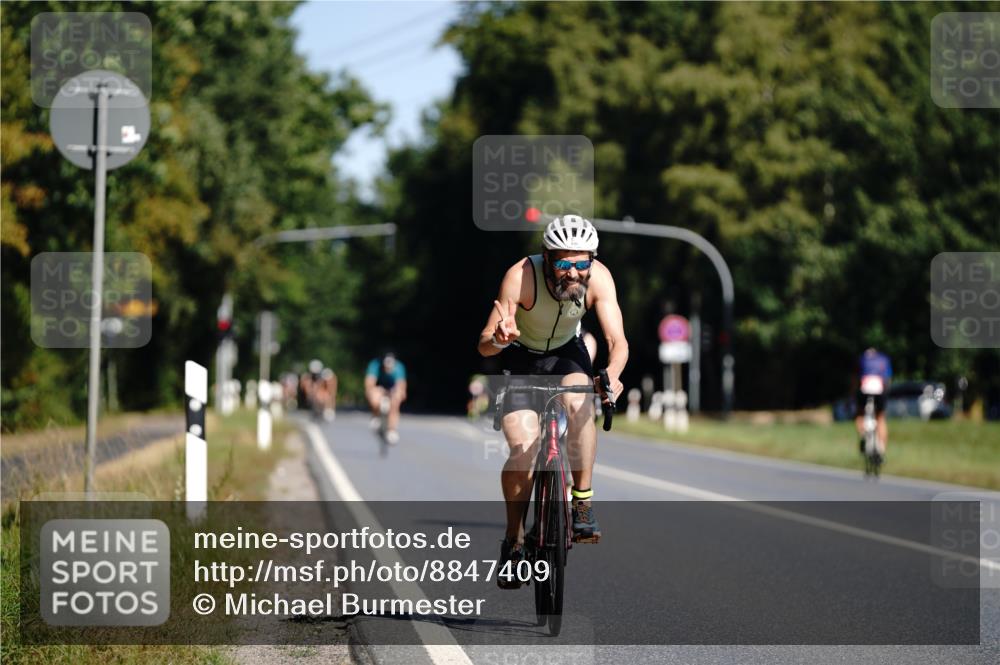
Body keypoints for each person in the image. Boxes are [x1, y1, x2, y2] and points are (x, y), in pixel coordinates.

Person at [477, 214, 627, 589]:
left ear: (592, 261)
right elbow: (484, 344)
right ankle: (513, 541)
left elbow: (617, 341)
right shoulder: (521, 276)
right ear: (547, 258)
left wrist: (612, 374)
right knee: (523, 451)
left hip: (567, 355)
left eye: (582, 264)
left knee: (581, 404)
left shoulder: (599, 278)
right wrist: (499, 338)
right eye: (563, 264)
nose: (573, 273)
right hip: (520, 357)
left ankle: (582, 503)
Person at [855, 347, 892, 458]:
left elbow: (856, 378)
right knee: (880, 417)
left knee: (860, 414)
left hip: (864, 390)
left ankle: (863, 435)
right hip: (880, 390)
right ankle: (882, 450)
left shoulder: (862, 359)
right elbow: (888, 379)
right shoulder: (884, 359)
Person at [365, 352, 407, 444]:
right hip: (378, 387)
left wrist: (399, 394)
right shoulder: (375, 365)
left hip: (392, 389)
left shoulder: (399, 367)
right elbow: (369, 384)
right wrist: (373, 392)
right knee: (374, 398)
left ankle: (392, 429)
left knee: (395, 402)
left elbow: (401, 386)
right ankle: (375, 416)